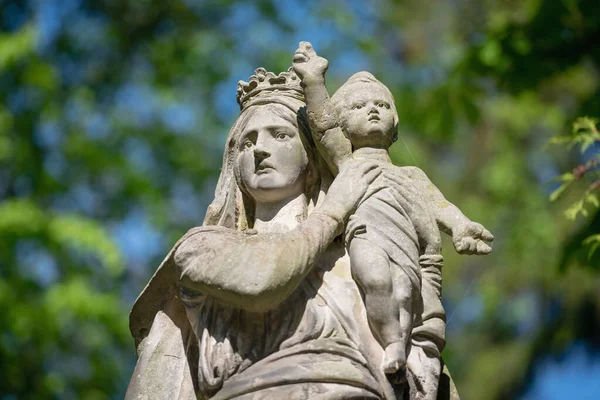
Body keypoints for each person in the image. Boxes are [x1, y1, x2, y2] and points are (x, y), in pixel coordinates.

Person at [126, 66, 403, 399]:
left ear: (310, 157)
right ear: (234, 166)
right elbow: (260, 283)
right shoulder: (201, 248)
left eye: (280, 135)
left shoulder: (359, 251)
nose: (259, 149)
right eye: (247, 142)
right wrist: (334, 210)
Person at [292, 42, 494, 376]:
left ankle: (400, 344)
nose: (372, 110)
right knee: (375, 280)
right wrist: (313, 82)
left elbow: (438, 204)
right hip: (367, 235)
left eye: (382, 105)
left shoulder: (411, 175)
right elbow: (323, 127)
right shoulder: (349, 164)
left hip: (407, 245)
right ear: (344, 122)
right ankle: (390, 343)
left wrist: (459, 225)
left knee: (404, 290)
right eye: (358, 106)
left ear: (395, 122)